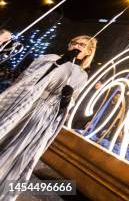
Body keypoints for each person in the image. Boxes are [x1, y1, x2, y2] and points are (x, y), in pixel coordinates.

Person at [0, 35, 97, 195]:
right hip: (27, 104)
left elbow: (68, 104)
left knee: (18, 148)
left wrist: (66, 99)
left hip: (44, 115)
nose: (77, 46)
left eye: (82, 45)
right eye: (74, 42)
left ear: (89, 51)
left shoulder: (81, 75)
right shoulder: (51, 58)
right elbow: (28, 78)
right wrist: (58, 64)